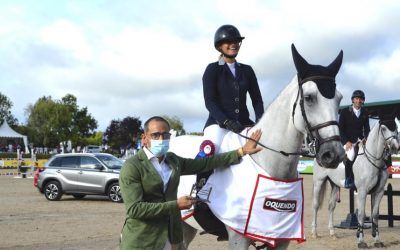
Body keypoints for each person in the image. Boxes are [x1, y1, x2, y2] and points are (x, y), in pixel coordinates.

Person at [119, 116, 262, 250]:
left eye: (166, 135)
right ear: (144, 138)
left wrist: (241, 151)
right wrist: (176, 205)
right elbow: (135, 209)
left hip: (172, 239)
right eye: (156, 135)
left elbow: (205, 163)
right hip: (143, 241)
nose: (161, 139)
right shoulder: (132, 166)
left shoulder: (172, 160)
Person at [202, 24, 264, 153]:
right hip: (218, 125)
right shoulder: (212, 69)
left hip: (244, 123)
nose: (233, 44)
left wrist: (260, 120)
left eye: (236, 41)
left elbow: (257, 99)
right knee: (210, 152)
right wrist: (227, 121)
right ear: (219, 46)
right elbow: (210, 102)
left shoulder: (247, 70)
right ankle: (203, 173)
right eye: (229, 42)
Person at [339, 90, 370, 188]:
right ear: (353, 100)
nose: (358, 101)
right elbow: (341, 129)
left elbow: (367, 128)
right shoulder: (345, 111)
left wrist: (366, 138)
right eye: (356, 98)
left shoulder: (365, 112)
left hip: (359, 140)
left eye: (361, 99)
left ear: (363, 101)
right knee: (351, 156)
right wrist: (346, 142)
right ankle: (348, 179)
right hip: (347, 140)